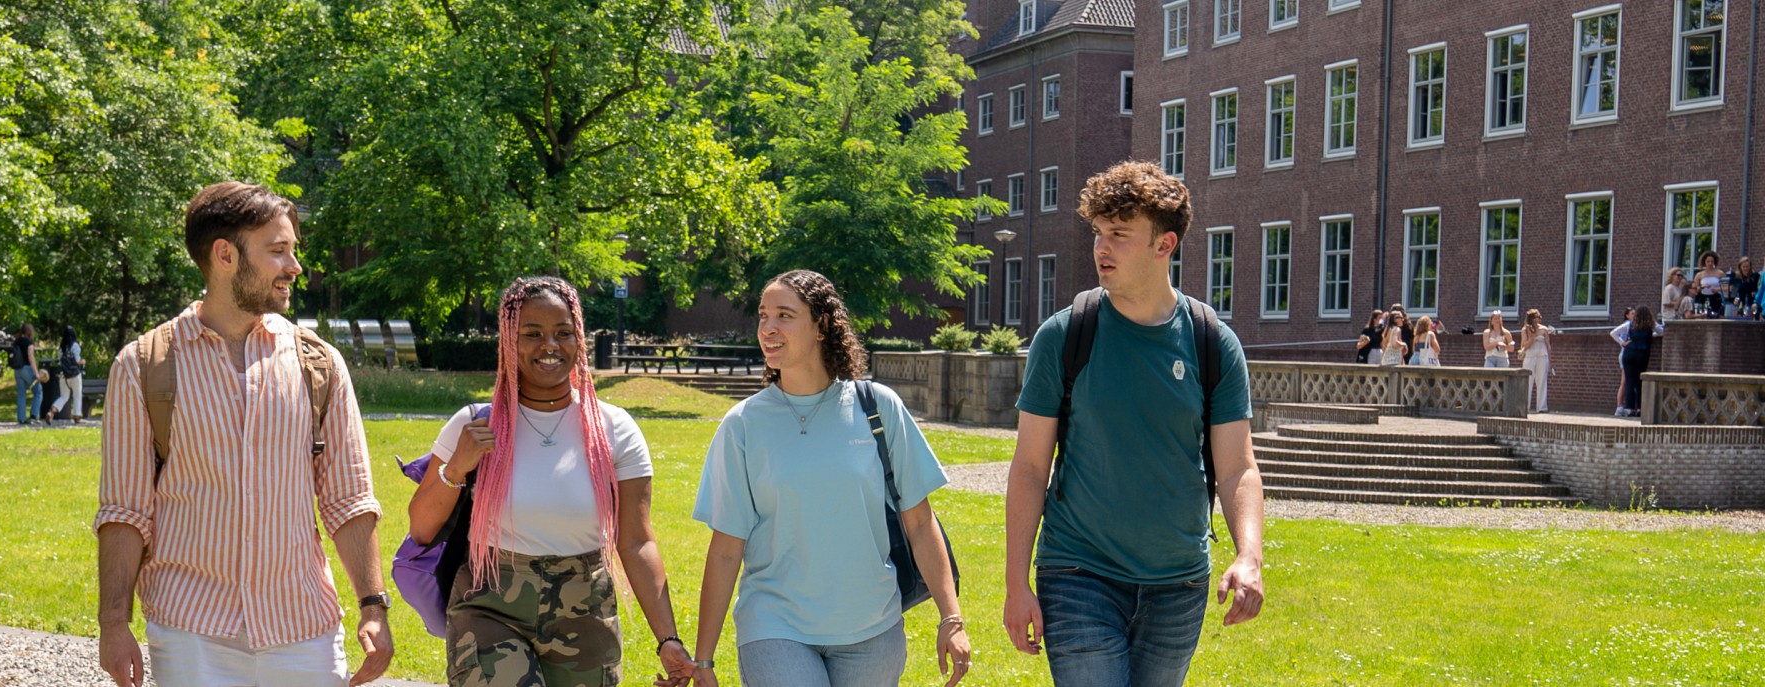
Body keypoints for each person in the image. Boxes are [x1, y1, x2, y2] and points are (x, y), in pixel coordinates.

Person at [94, 181, 393, 687]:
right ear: (225, 255)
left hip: (303, 629)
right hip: (191, 631)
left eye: (293, 250)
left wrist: (373, 606)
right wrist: (113, 624)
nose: (294, 267)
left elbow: (348, 499)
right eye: (278, 251)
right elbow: (125, 512)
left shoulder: (318, 364)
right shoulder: (143, 366)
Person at [1004, 161, 1266, 687]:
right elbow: (1030, 467)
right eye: (1098, 232)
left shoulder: (1212, 343)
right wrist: (1016, 582)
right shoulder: (1064, 335)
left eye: (1119, 234)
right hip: (1078, 572)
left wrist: (1249, 555)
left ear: (1164, 244)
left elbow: (1237, 467)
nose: (1101, 248)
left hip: (1178, 584)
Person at [693, 270, 968, 687]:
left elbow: (919, 522)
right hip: (774, 623)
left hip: (872, 626)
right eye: (763, 316)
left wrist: (951, 618)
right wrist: (704, 660)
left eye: (784, 315)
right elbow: (726, 549)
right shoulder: (743, 424)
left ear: (821, 325)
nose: (768, 328)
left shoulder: (878, 407)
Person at [411, 277, 687, 687]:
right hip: (491, 608)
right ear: (509, 340)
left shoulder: (614, 429)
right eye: (532, 334)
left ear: (580, 339)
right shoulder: (473, 425)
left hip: (585, 612)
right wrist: (456, 468)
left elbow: (636, 541)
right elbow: (421, 528)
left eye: (563, 332)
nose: (550, 345)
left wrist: (668, 639)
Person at [1611, 306, 1664, 418]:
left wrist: (1622, 343)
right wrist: (1651, 335)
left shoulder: (1630, 324)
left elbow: (1613, 332)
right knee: (1639, 381)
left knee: (1629, 381)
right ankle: (1639, 408)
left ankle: (1629, 409)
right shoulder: (1651, 325)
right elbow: (1662, 332)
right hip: (1643, 354)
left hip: (1629, 353)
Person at [1520, 310, 1557, 413]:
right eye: (1537, 317)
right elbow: (1524, 345)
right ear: (1532, 318)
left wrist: (1550, 360)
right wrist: (1532, 338)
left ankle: (1541, 407)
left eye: (1540, 317)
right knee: (1528, 381)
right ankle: (1525, 407)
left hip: (1542, 356)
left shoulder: (1544, 329)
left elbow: (1548, 345)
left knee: (1542, 381)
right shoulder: (1525, 330)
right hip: (1530, 356)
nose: (1539, 319)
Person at [49, 325, 87, 424]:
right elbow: (77, 360)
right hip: (75, 374)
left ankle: (53, 410)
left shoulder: (61, 347)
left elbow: (59, 361)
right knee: (77, 395)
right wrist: (83, 361)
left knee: (64, 396)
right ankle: (77, 416)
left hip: (63, 375)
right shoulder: (75, 346)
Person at [10, 323, 45, 425]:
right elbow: (30, 356)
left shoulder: (16, 342)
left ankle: (21, 418)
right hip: (27, 369)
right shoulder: (29, 342)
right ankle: (33, 415)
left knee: (21, 394)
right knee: (38, 391)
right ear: (30, 332)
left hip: (17, 370)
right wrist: (36, 373)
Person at [1694, 252, 1727, 318]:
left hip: (1716, 298)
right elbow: (1694, 289)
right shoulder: (1699, 275)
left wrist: (1718, 289)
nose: (1710, 263)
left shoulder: (1720, 273)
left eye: (1712, 261)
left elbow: (1727, 287)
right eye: (1708, 261)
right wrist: (1702, 287)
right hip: (1703, 298)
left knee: (1716, 315)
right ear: (1704, 262)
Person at [1730, 256, 1760, 320]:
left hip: (1753, 303)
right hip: (1742, 304)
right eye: (1743, 267)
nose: (1745, 268)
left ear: (1750, 266)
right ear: (1740, 267)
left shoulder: (1755, 276)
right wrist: (1735, 299)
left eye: (1747, 266)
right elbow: (1735, 292)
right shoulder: (1737, 278)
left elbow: (1758, 289)